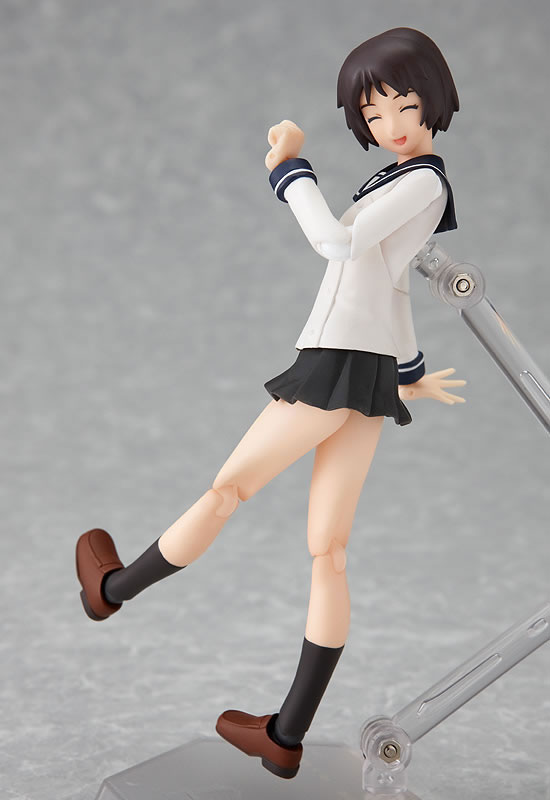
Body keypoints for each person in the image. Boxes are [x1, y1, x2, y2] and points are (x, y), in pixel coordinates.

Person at [76, 27, 465, 780]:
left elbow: (337, 247)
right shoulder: (409, 180)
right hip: (369, 368)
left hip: (336, 361)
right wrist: (408, 369)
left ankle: (110, 590)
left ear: (434, 101)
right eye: (375, 114)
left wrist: (289, 169)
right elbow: (390, 283)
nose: (391, 125)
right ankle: (284, 734)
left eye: (405, 106)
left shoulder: (421, 183)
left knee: (228, 490)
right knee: (329, 550)